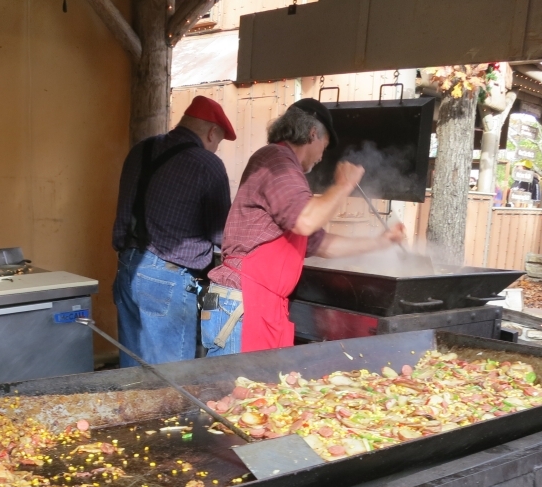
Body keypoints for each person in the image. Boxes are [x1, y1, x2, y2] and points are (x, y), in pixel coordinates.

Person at [202, 99, 405, 356]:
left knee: (258, 394)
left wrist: (381, 241)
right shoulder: (277, 162)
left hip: (259, 304)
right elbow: (306, 221)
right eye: (325, 145)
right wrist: (343, 185)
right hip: (245, 303)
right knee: (233, 393)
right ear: (312, 134)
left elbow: (321, 243)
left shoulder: (285, 168)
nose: (322, 156)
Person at [112, 96, 235, 367]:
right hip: (167, 280)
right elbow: (221, 235)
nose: (215, 150)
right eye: (218, 143)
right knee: (171, 378)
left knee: (131, 373)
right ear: (211, 132)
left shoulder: (140, 150)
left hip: (127, 268)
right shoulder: (206, 164)